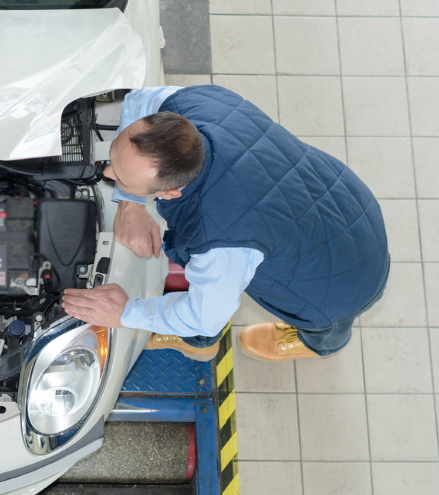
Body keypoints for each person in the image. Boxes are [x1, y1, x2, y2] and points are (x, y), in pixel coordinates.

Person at [61, 85, 388, 362]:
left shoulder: (218, 237)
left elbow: (205, 316)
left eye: (121, 177)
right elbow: (135, 103)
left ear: (171, 193)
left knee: (325, 324)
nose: (106, 174)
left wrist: (124, 312)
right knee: (214, 287)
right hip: (346, 202)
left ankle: (316, 343)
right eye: (114, 162)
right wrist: (130, 202)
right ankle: (200, 344)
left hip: (343, 284)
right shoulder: (194, 101)